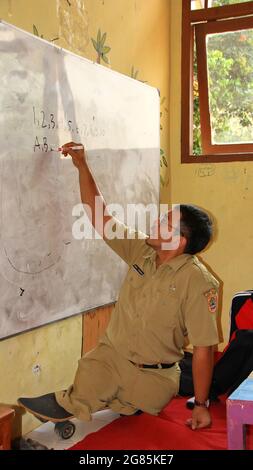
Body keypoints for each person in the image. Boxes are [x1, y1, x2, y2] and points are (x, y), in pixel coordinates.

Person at [18, 142, 220, 431]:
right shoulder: (141, 250)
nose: (156, 221)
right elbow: (102, 219)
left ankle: (120, 401)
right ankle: (85, 400)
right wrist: (82, 166)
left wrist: (201, 405)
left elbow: (203, 348)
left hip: (154, 378)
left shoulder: (199, 282)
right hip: (111, 359)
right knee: (84, 383)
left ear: (179, 241)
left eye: (165, 221)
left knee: (131, 408)